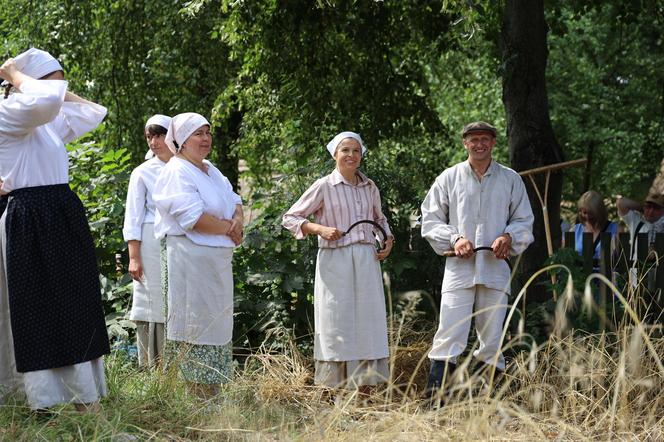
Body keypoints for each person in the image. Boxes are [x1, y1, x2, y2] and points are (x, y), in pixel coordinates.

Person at [0, 48, 110, 412]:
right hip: (30, 217)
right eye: (53, 82)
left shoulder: (44, 119)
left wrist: (56, 84)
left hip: (58, 212)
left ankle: (84, 397)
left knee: (76, 304)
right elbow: (45, 100)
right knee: (41, 310)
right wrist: (15, 75)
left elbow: (93, 113)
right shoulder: (10, 112)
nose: (60, 90)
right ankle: (47, 401)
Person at [420, 121, 534, 404]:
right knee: (449, 332)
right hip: (460, 271)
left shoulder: (510, 179)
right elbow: (430, 219)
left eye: (485, 139)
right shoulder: (449, 177)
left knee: (492, 337)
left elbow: (524, 220)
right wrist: (455, 238)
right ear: (465, 143)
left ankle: (489, 406)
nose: (479, 144)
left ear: (494, 143)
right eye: (474, 140)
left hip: (495, 269)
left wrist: (509, 236)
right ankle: (437, 404)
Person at [282, 131, 394, 391]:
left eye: (356, 151)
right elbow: (290, 217)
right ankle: (335, 385)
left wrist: (388, 240)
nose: (351, 155)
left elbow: (379, 220)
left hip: (366, 258)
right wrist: (320, 229)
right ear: (335, 154)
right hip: (336, 259)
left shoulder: (370, 186)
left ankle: (367, 386)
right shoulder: (324, 185)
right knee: (337, 317)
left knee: (367, 317)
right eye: (345, 150)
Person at [153, 112, 243, 397]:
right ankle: (196, 396)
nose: (206, 139)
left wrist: (237, 222)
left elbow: (234, 200)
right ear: (180, 140)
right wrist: (229, 229)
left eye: (207, 132)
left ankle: (212, 391)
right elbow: (193, 217)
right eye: (198, 133)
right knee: (194, 325)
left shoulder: (211, 169)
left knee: (216, 324)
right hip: (188, 262)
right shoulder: (175, 171)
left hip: (216, 262)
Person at [122, 114, 173, 367]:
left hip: (181, 241)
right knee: (152, 300)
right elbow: (133, 217)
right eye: (149, 136)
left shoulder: (188, 166)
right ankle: (153, 365)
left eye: (159, 134)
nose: (154, 141)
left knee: (177, 298)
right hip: (150, 241)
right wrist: (134, 257)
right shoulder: (141, 173)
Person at [571, 190, 619, 263]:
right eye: (584, 212)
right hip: (579, 273)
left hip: (605, 274)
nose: (587, 216)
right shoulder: (575, 230)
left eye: (591, 213)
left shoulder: (615, 229)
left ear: (599, 210)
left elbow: (621, 259)